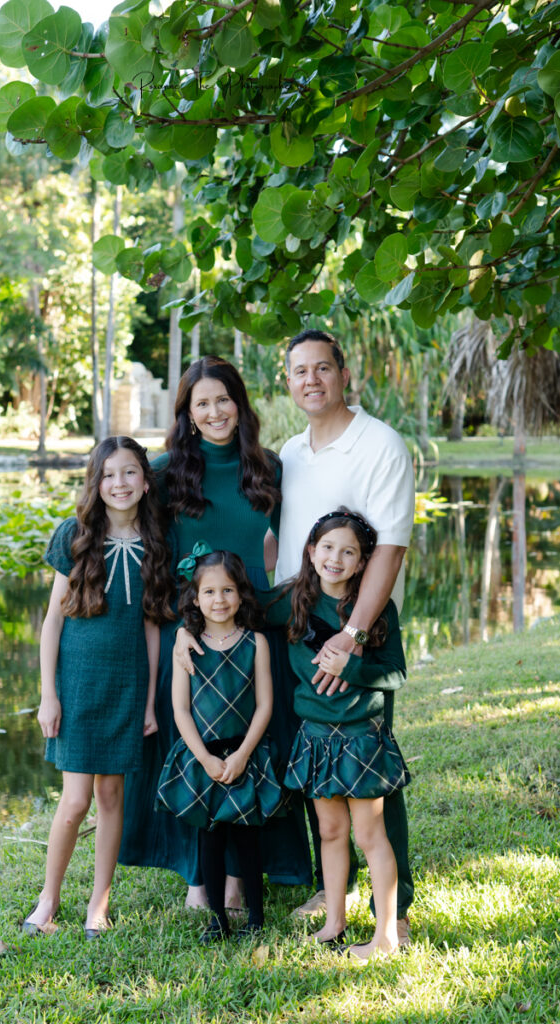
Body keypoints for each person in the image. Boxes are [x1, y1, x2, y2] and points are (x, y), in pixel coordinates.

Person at [119, 356, 311, 907]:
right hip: (193, 631)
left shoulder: (268, 467)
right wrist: (180, 626)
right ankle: (197, 876)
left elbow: (301, 542)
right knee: (195, 746)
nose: (214, 411)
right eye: (201, 403)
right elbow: (154, 556)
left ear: (239, 404)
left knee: (257, 745)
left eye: (222, 399)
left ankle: (247, 871)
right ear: (188, 414)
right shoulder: (164, 472)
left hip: (256, 630)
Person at [273, 329, 415, 940]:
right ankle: (336, 895)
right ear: (288, 382)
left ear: (343, 372)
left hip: (362, 637)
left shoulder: (380, 444)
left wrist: (353, 634)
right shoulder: (290, 452)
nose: (312, 380)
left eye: (322, 368)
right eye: (299, 371)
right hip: (302, 628)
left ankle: (396, 907)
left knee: (372, 764)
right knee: (319, 759)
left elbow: (389, 546)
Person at [21, 436, 174, 938]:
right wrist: (49, 694)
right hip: (79, 688)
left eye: (130, 472)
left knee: (112, 798)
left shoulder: (156, 544)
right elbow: (51, 622)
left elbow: (152, 627)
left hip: (128, 689)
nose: (120, 483)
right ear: (96, 482)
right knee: (74, 801)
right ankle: (48, 899)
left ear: (145, 480)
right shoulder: (75, 536)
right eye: (109, 475)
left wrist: (150, 700)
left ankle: (99, 904)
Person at [270, 509, 409, 958]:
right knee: (330, 832)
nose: (336, 558)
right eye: (327, 547)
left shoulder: (376, 608)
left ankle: (386, 936)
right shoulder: (291, 601)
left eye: (349, 551)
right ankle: (334, 923)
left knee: (370, 835)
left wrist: (352, 666)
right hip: (313, 736)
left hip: (359, 738)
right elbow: (239, 605)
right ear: (311, 552)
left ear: (363, 562)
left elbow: (396, 675)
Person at [157, 548, 283, 942]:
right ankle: (218, 920)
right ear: (195, 598)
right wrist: (205, 758)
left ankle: (256, 919)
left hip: (244, 755)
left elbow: (265, 705)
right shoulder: (188, 647)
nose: (219, 600)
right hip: (204, 758)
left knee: (248, 838)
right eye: (209, 592)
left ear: (241, 594)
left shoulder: (255, 644)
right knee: (209, 839)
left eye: (227, 590)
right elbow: (180, 710)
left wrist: (243, 754)